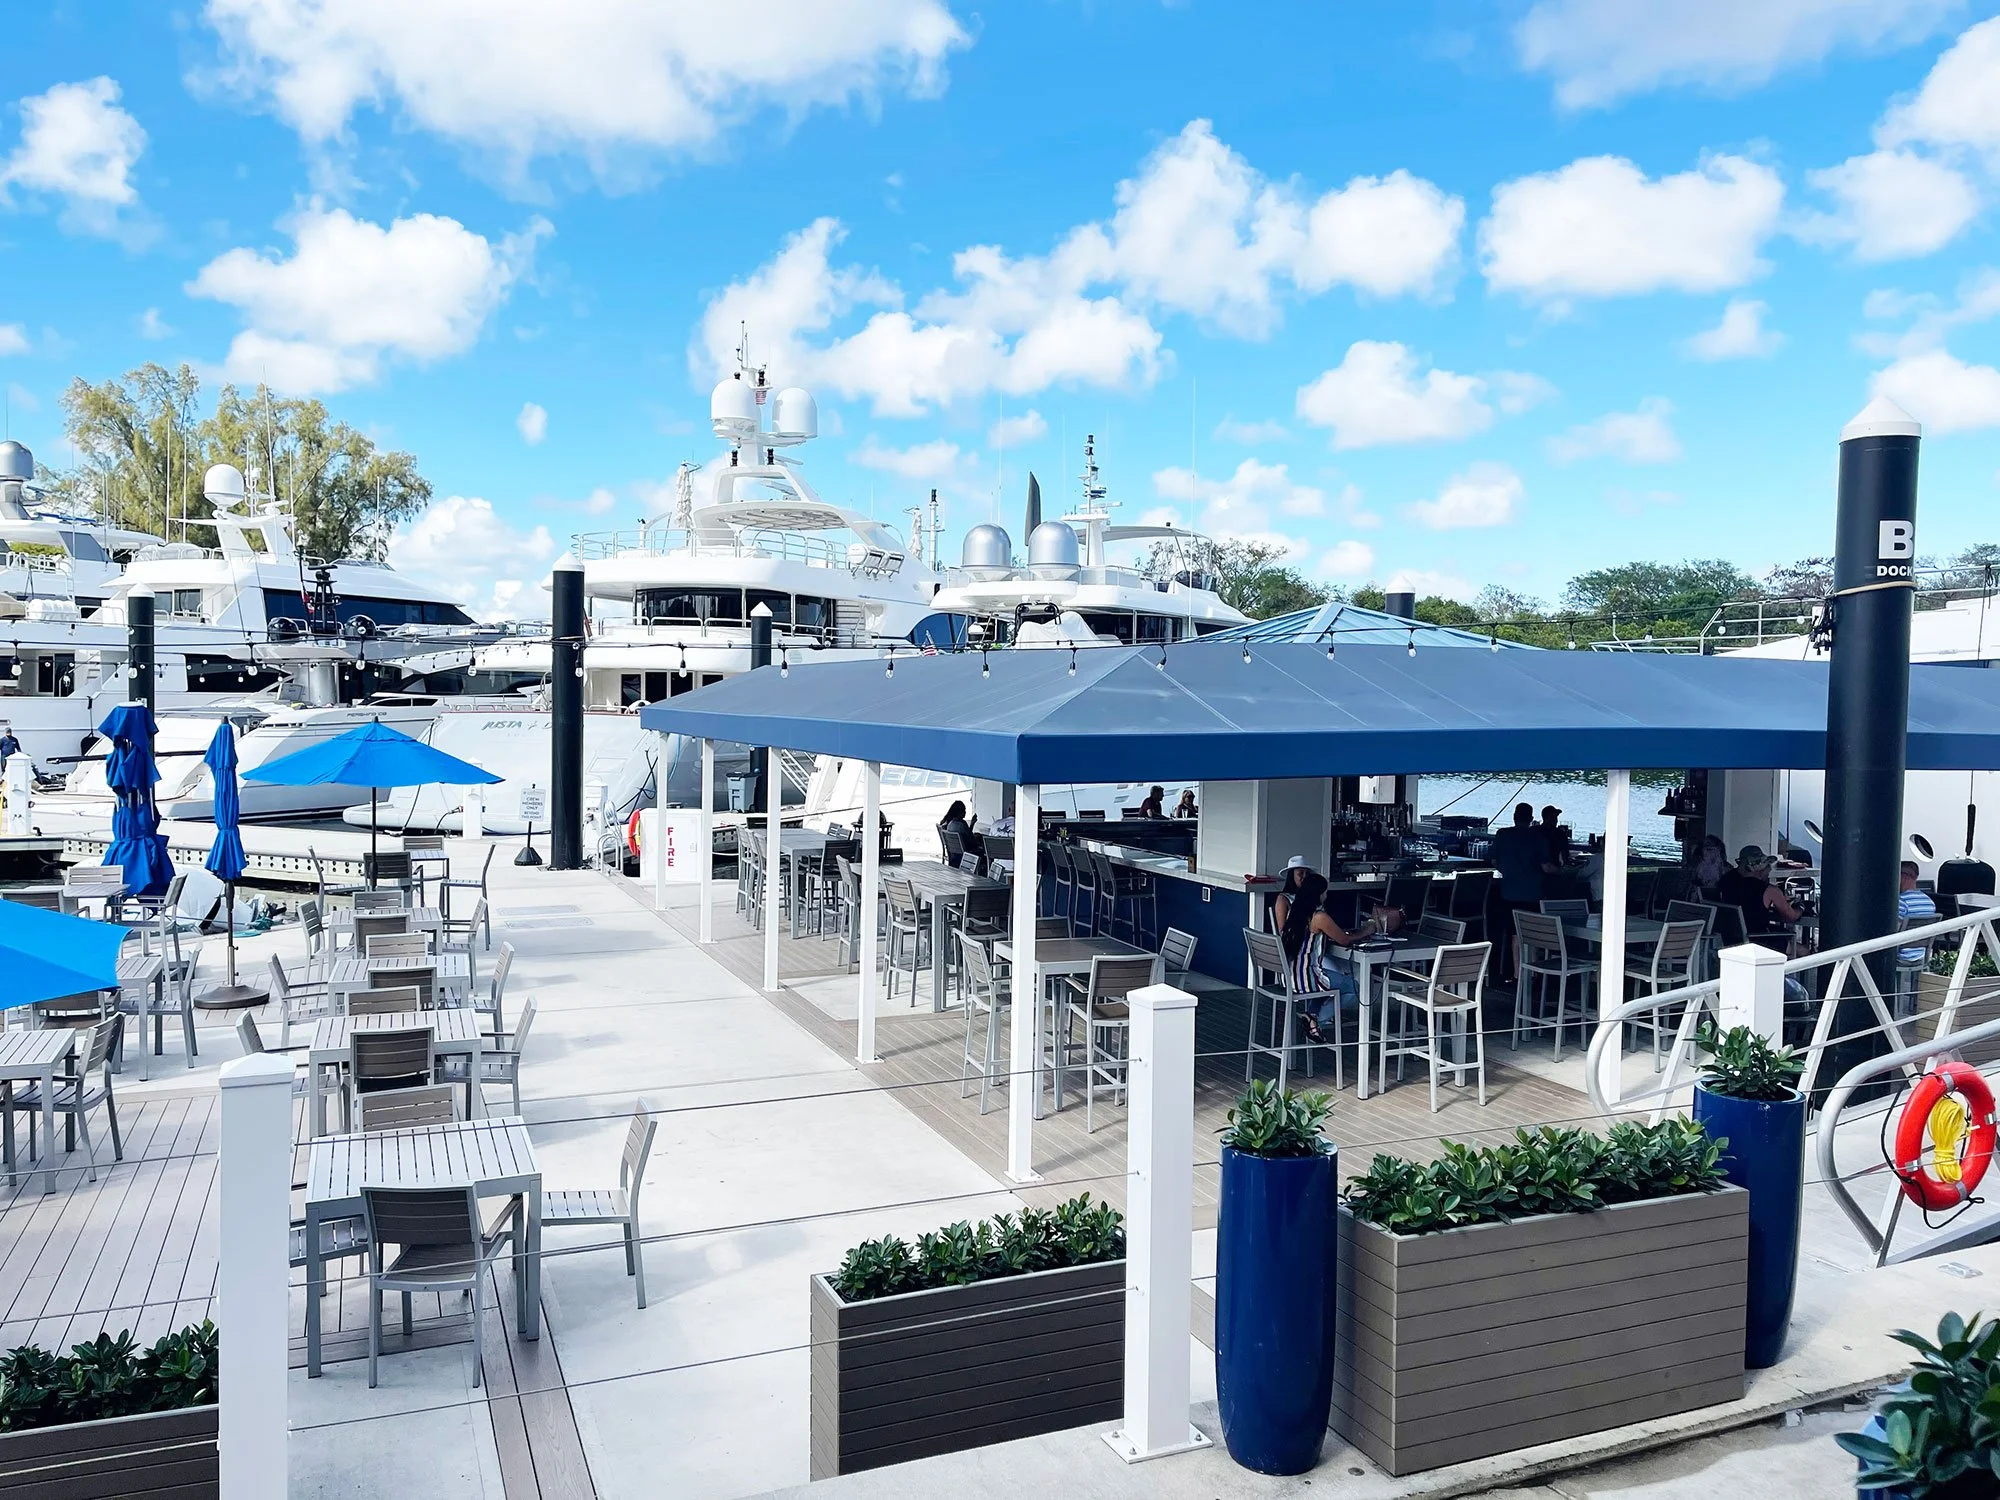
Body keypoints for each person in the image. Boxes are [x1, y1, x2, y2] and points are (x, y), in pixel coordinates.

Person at [1277, 872, 1380, 1044]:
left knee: (1330, 982)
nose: (1327, 895)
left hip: (1288, 977)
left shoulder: (1294, 911)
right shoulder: (1319, 917)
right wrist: (1367, 930)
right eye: (1325, 892)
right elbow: (1344, 940)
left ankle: (1312, 1017)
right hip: (1307, 978)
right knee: (1354, 988)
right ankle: (1316, 1020)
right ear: (1318, 894)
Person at [1489, 803, 1556, 974]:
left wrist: (1509, 872)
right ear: (1532, 819)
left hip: (1509, 892)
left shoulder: (1502, 834)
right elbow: (1547, 867)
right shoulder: (1538, 838)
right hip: (1533, 893)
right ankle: (1532, 971)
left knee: (1514, 934)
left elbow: (1494, 861)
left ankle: (1518, 973)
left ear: (1514, 817)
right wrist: (1563, 871)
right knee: (1531, 934)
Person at [1718, 845, 1803, 954]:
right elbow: (1791, 917)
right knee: (1804, 951)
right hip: (1757, 941)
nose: (1769, 870)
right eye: (1767, 866)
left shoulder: (1725, 880)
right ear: (1758, 868)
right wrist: (1801, 906)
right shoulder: (1769, 890)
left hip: (1729, 940)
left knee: (1782, 933)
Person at [1898, 861, 1937, 967]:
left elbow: (1894, 931)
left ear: (1903, 876)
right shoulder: (1930, 903)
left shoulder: (1901, 902)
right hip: (1923, 955)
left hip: (1902, 957)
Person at [1693, 834, 1729, 899]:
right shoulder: (1696, 870)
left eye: (1713, 849)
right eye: (1708, 849)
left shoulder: (1728, 871)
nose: (1712, 853)